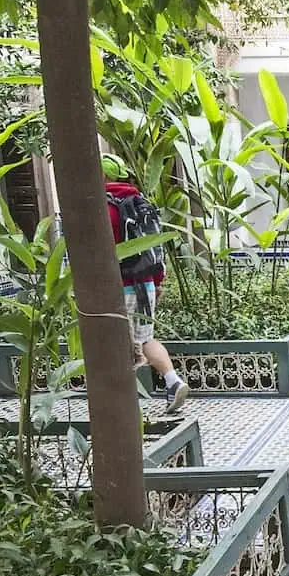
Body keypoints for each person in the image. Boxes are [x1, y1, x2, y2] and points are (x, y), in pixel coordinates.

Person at [104, 162, 188, 411]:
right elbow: (155, 246)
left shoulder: (103, 209)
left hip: (120, 287)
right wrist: (157, 282)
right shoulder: (141, 202)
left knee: (117, 345)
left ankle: (123, 405)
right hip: (146, 284)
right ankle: (173, 381)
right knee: (145, 339)